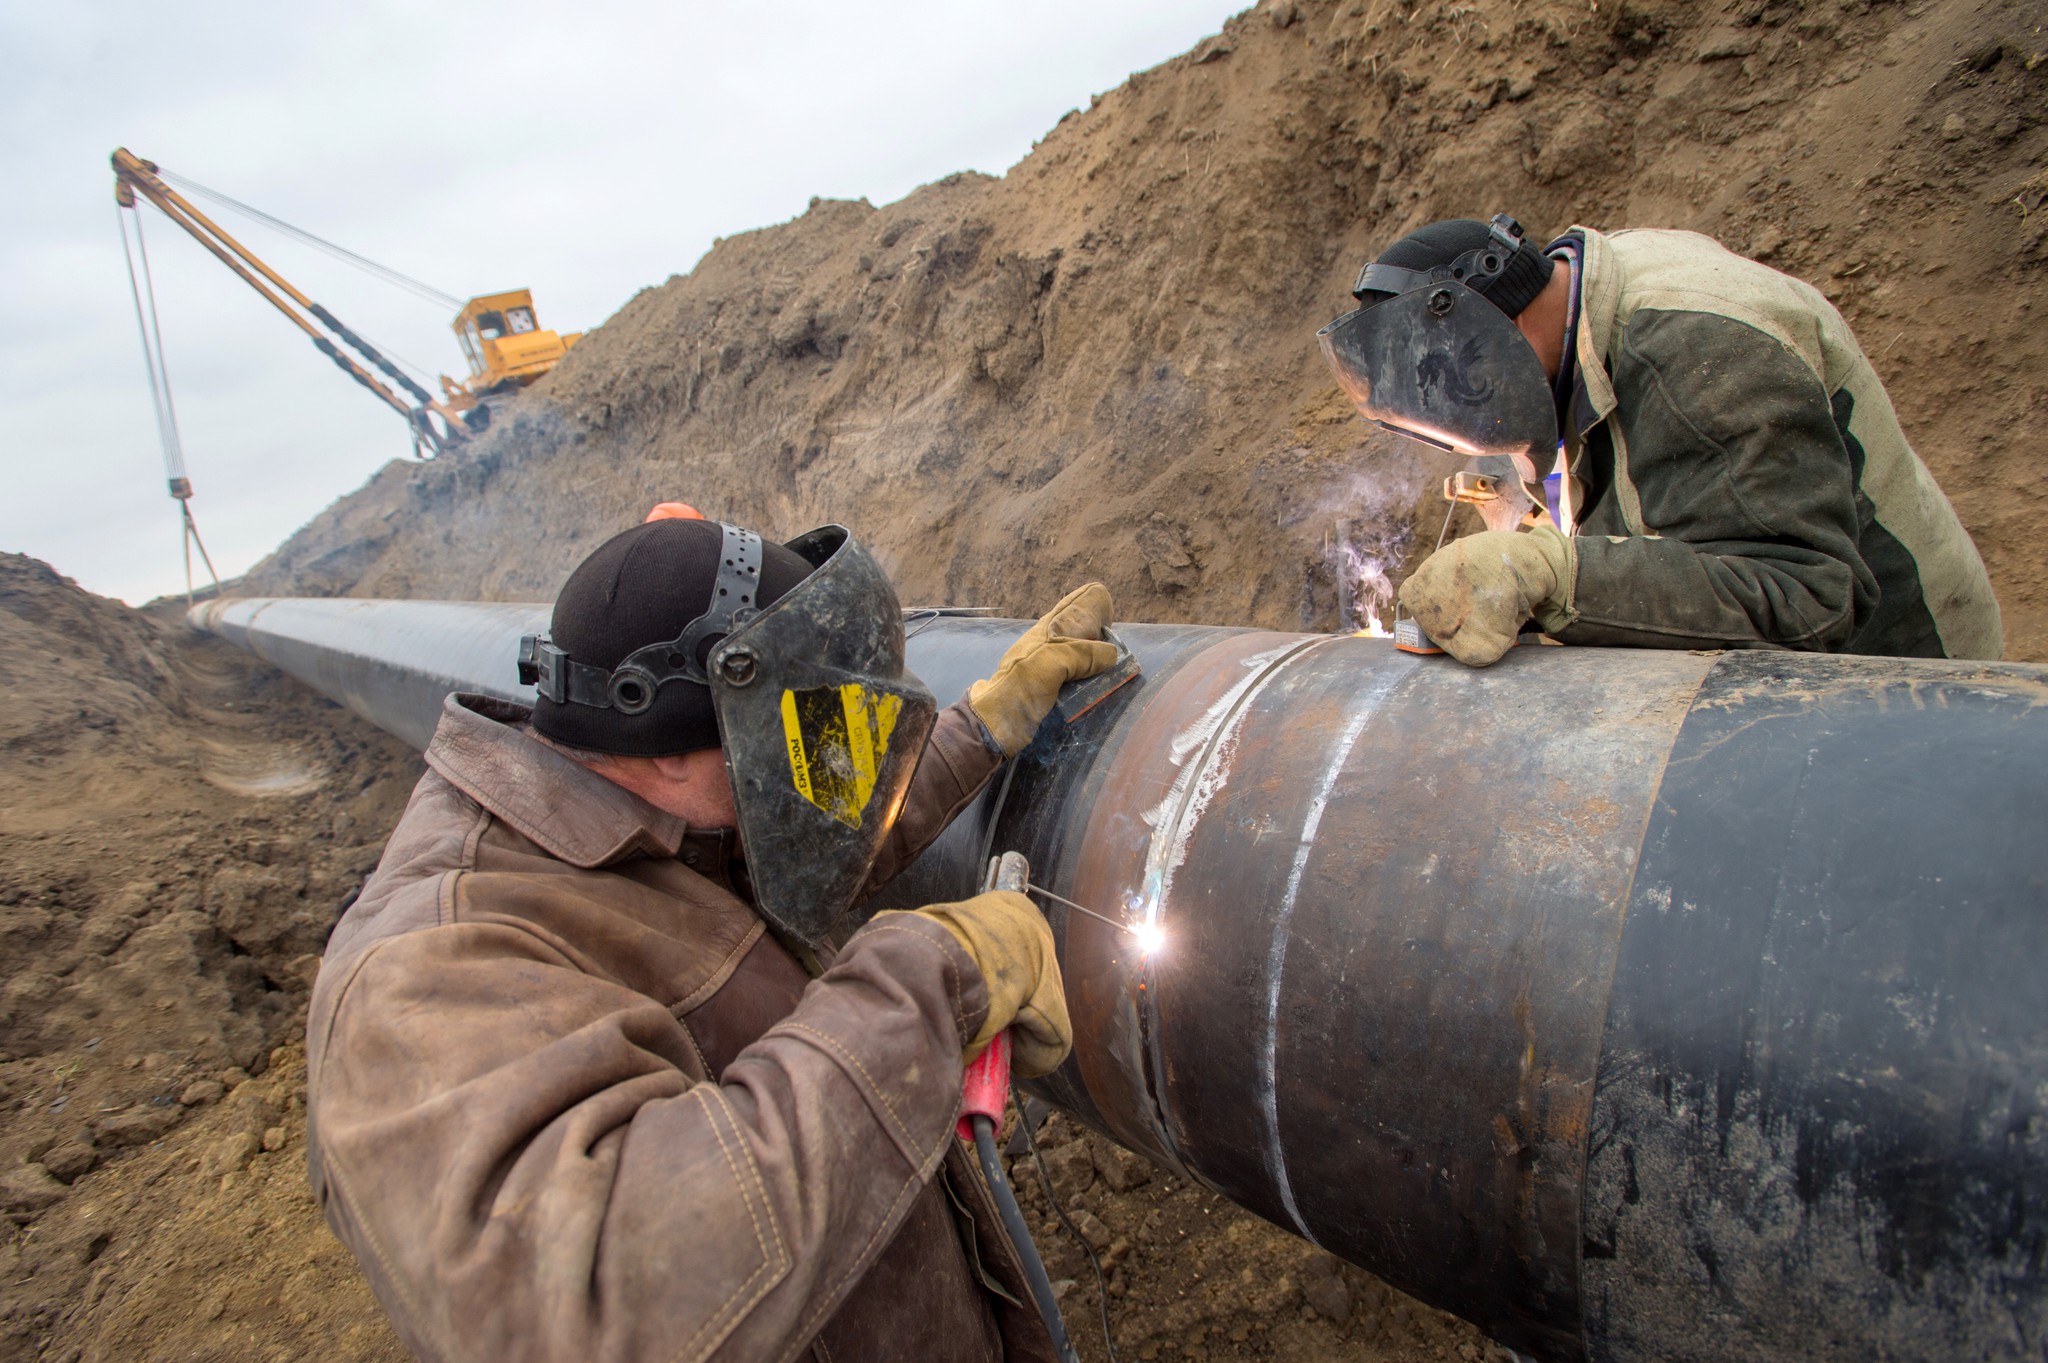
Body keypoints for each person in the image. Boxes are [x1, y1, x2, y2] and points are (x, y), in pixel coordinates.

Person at [304, 513, 1119, 1363]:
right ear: (668, 751)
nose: (826, 753)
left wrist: (983, 726)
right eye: (802, 731)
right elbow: (607, 1306)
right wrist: (933, 977)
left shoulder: (644, 800)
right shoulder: (426, 971)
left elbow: (801, 831)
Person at [1318, 214, 2002, 665]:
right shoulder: (1578, 324)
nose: (1467, 434)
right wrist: (1521, 521)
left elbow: (1809, 598)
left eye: (1452, 397)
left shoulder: (1693, 343)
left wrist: (1552, 575)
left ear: (1494, 334)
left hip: (1904, 681)